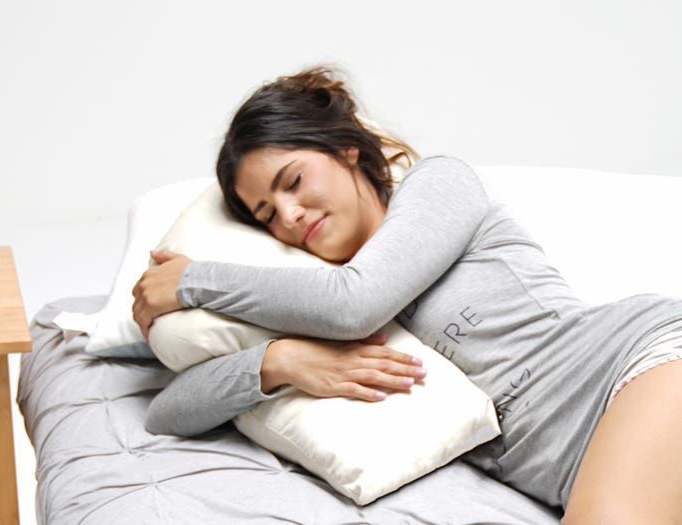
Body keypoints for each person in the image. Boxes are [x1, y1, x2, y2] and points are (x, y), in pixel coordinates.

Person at [131, 65, 682, 523]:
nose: (291, 216)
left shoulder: (440, 185)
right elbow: (167, 413)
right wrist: (277, 361)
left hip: (635, 367)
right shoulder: (301, 300)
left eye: (294, 182)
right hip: (569, 464)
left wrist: (192, 280)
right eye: (267, 215)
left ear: (347, 150)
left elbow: (355, 304)